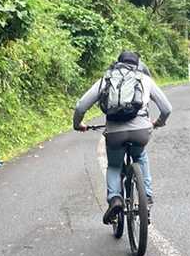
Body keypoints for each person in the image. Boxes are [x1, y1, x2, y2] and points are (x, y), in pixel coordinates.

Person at [73, 49, 172, 223]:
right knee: (140, 156)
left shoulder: (107, 79)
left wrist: (78, 124)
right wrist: (158, 123)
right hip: (141, 131)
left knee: (114, 166)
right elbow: (167, 108)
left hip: (115, 133)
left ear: (118, 63)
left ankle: (115, 199)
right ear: (138, 65)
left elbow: (81, 106)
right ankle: (147, 198)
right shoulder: (145, 79)